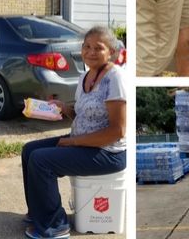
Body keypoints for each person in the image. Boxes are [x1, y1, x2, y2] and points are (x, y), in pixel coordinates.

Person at [21, 26, 126, 239]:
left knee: (41, 161)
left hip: (108, 152)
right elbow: (81, 115)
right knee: (29, 150)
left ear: (112, 51)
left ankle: (55, 226)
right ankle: (38, 212)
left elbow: (117, 131)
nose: (91, 52)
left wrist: (73, 142)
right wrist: (63, 108)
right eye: (87, 46)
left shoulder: (115, 78)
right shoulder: (84, 77)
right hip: (83, 143)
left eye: (99, 47)